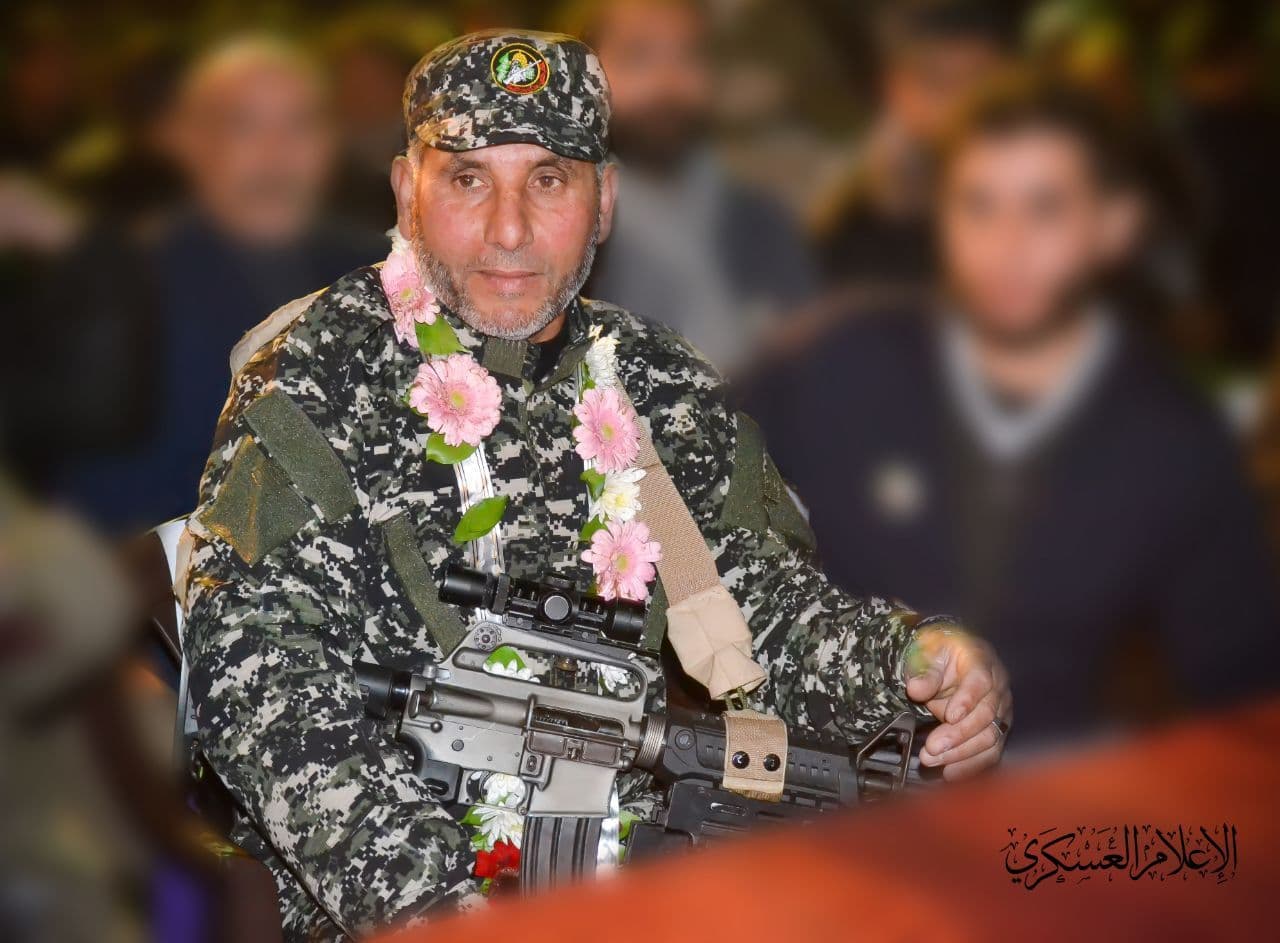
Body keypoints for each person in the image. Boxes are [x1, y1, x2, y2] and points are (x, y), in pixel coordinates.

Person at [180, 29, 1010, 941]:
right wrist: (441, 906)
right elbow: (260, 679)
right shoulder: (317, 373)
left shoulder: (656, 382)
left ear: (604, 200)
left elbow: (765, 611)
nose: (508, 228)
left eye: (548, 180)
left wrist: (914, 662)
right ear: (406, 190)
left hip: (640, 872)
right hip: (388, 891)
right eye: (467, 179)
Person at [749, 74, 1280, 746]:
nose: (1007, 243)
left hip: (1041, 773)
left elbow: (1244, 690)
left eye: (1045, 209)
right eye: (978, 205)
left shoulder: (1171, 438)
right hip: (806, 762)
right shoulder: (836, 360)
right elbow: (665, 485)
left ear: (1114, 225)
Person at [53, 36, 384, 534]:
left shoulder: (382, 270)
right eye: (243, 126)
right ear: (189, 142)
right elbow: (99, 488)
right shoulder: (129, 279)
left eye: (302, 124)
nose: (276, 155)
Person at [566, 0, 817, 374]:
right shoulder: (562, 236)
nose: (668, 82)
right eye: (638, 57)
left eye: (689, 56)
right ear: (584, 80)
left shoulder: (763, 222)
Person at [811, 0, 1010, 291]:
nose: (965, 104)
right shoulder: (853, 237)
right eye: (941, 84)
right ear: (895, 89)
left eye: (981, 82)